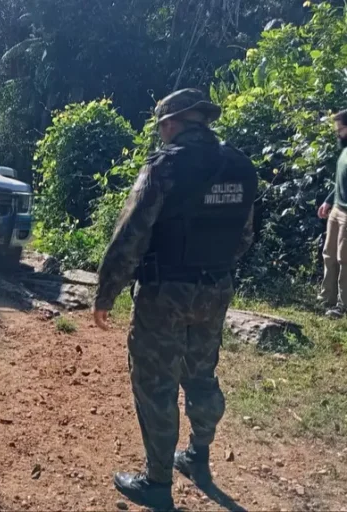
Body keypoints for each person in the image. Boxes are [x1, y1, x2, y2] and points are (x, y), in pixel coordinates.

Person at [93, 89, 258, 510]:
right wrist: (211, 271)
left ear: (172, 123)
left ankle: (156, 482)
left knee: (156, 384)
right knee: (202, 375)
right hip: (216, 288)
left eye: (162, 125)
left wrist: (107, 291)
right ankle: (198, 456)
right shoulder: (240, 166)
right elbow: (243, 235)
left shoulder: (166, 166)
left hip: (164, 293)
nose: (161, 133)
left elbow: (131, 234)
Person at [317, 110, 347, 319]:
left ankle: (343, 305)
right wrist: (329, 201)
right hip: (337, 209)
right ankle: (326, 298)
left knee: (344, 259)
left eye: (340, 129)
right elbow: (340, 181)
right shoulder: (344, 150)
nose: (337, 133)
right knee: (329, 254)